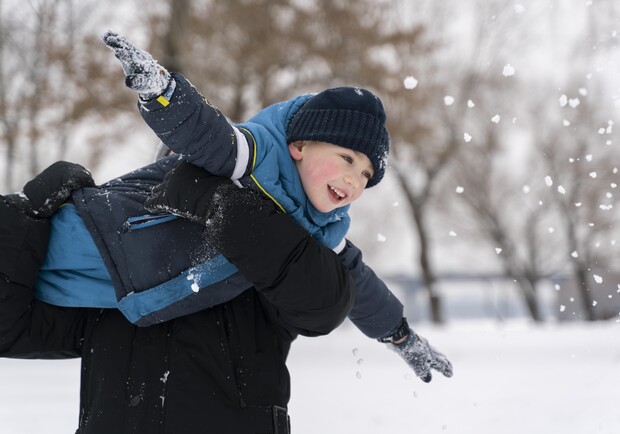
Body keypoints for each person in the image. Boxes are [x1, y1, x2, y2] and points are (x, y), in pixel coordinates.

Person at [24, 31, 453, 381]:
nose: (353, 182)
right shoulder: (259, 155)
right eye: (346, 159)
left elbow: (360, 283)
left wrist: (399, 334)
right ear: (300, 146)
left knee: (40, 296)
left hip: (128, 290)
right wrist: (162, 93)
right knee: (31, 258)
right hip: (108, 235)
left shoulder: (324, 226)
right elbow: (209, 135)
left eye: (365, 175)